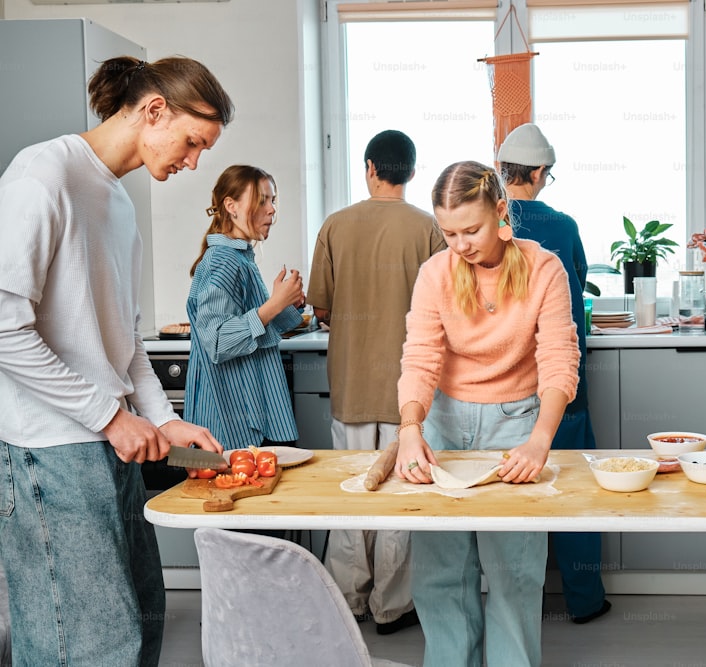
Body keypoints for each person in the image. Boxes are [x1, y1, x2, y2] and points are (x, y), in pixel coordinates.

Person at [0, 55, 232, 665]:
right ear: (154, 110)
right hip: (50, 454)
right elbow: (4, 329)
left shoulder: (118, 203)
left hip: (111, 448)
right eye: (192, 141)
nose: (193, 161)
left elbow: (125, 343)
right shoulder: (42, 174)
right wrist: (110, 417)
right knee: (88, 649)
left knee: (134, 637)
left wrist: (162, 420)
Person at [395, 160, 580, 666]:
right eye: (448, 233)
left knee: (514, 574)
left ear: (501, 211)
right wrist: (410, 428)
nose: (460, 245)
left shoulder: (544, 269)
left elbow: (559, 359)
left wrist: (541, 438)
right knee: (440, 573)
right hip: (444, 425)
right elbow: (421, 356)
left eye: (471, 229)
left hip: (517, 425)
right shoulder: (435, 273)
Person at [307, 129, 444, 634]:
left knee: (352, 492)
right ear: (411, 171)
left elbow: (320, 307)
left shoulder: (336, 225)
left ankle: (349, 600)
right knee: (401, 493)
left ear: (370, 167)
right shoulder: (429, 228)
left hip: (352, 384)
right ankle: (392, 605)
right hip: (411, 389)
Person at [497, 123, 611, 624]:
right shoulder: (563, 227)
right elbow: (578, 285)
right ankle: (584, 600)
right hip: (561, 388)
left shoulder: (491, 223)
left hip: (503, 388)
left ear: (503, 171)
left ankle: (514, 604)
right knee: (574, 491)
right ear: (540, 172)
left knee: (511, 494)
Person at [185, 165, 304, 451]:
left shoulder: (240, 259)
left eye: (273, 200)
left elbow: (259, 330)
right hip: (234, 420)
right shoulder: (223, 261)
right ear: (231, 206)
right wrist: (274, 304)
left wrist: (286, 303)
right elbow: (217, 342)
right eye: (262, 199)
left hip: (248, 411)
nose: (272, 209)